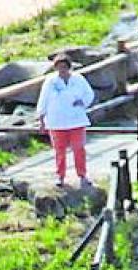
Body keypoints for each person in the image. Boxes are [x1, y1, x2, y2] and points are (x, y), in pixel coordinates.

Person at [36, 53, 96, 188]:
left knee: (78, 148)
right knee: (59, 150)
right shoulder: (50, 81)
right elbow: (43, 100)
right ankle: (60, 175)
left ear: (69, 67)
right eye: (59, 67)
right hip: (56, 121)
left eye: (64, 67)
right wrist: (41, 119)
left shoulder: (78, 79)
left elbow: (89, 94)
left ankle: (82, 174)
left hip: (76, 119)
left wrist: (83, 102)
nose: (61, 70)